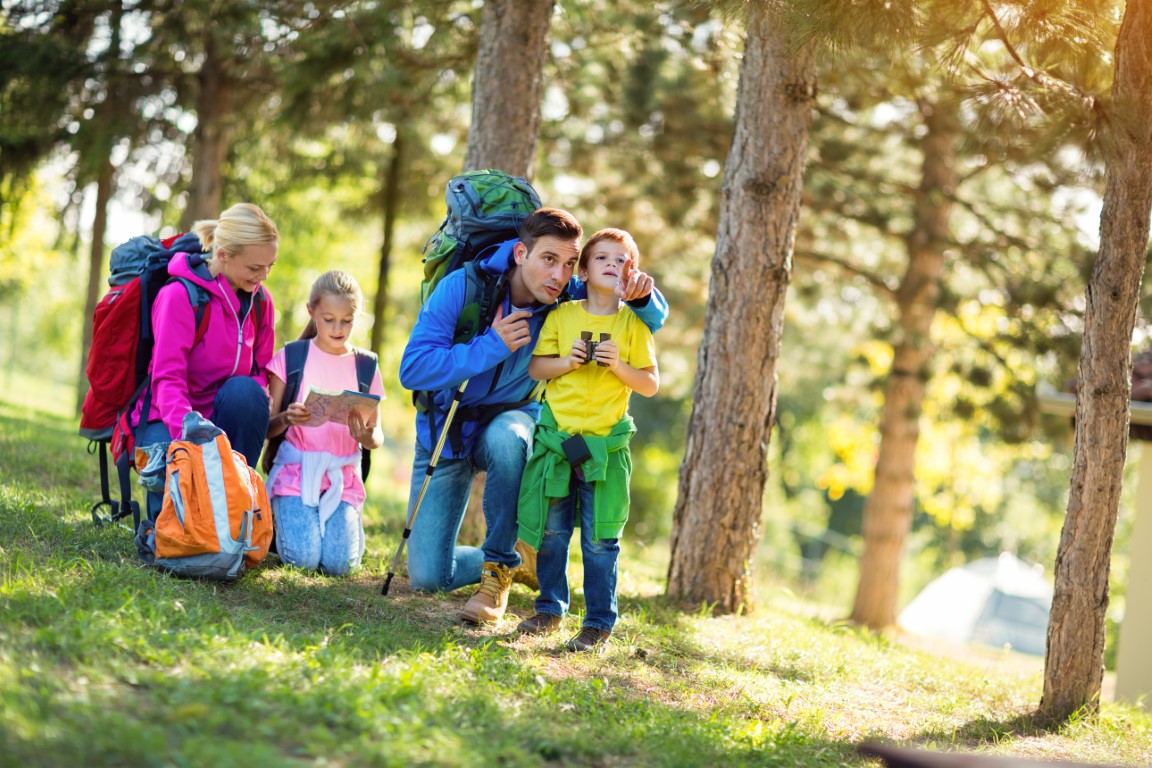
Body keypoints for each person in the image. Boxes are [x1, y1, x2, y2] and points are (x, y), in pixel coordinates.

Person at [398, 207, 668, 624]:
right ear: (521, 253)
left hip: (513, 418)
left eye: (567, 264)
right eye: (548, 260)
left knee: (510, 439)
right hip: (446, 428)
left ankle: (498, 569)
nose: (559, 275)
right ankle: (524, 553)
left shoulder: (564, 296)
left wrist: (644, 293)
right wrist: (491, 346)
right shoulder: (463, 287)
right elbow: (412, 368)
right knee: (429, 577)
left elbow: (648, 317)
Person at [515, 228, 659, 652]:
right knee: (553, 532)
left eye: (621, 260)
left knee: (600, 540)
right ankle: (549, 609)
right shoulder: (562, 316)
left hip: (604, 450)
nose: (612, 265)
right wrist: (567, 361)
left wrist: (618, 368)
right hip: (559, 443)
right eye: (602, 259)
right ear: (583, 269)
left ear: (630, 271)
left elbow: (650, 384)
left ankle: (598, 622)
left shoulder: (633, 324)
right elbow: (537, 369)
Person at [134, 203, 279, 521]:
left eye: (269, 265)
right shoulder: (180, 296)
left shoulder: (261, 303)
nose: (264, 276)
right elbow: (167, 379)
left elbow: (258, 373)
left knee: (248, 394)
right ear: (224, 254)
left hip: (223, 421)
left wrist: (221, 446)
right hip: (171, 417)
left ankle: (234, 506)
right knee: (174, 525)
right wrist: (191, 435)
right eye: (255, 268)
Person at [264, 270, 384, 576]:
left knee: (339, 566)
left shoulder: (366, 365)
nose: (338, 328)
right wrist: (286, 418)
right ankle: (285, 523)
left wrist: (366, 437)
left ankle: (330, 530)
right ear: (311, 311)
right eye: (329, 319)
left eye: (347, 320)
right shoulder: (291, 357)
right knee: (303, 559)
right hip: (295, 473)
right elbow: (266, 427)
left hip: (341, 477)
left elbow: (376, 435)